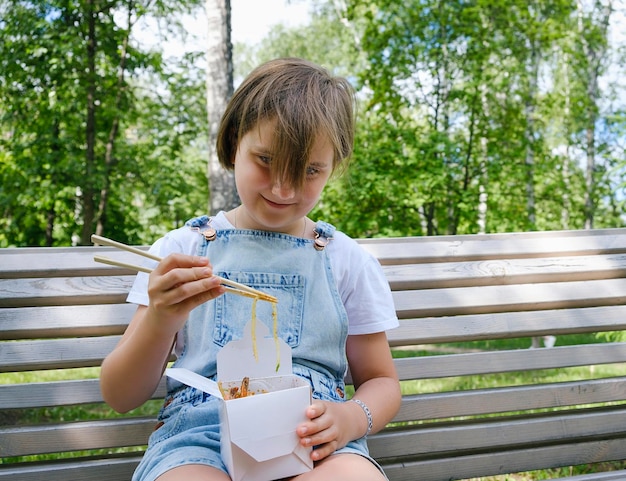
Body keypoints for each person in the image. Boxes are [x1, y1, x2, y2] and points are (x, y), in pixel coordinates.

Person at [100, 57, 401, 481]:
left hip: (313, 441)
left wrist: (352, 417)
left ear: (334, 165)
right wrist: (160, 319)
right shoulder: (182, 250)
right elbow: (120, 394)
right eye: (265, 160)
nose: (283, 188)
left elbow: (383, 381)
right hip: (199, 436)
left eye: (310, 170)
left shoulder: (346, 260)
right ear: (233, 143)